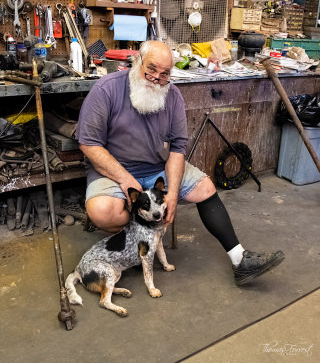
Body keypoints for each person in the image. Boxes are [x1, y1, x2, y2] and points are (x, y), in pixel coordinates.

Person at [76, 40, 284, 286]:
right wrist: (124, 179)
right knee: (103, 211)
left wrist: (172, 193)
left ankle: (240, 259)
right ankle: (135, 243)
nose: (156, 79)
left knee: (206, 188)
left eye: (164, 74)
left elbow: (177, 149)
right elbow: (89, 144)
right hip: (114, 170)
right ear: (137, 62)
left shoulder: (172, 96)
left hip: (157, 169)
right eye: (151, 70)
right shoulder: (106, 89)